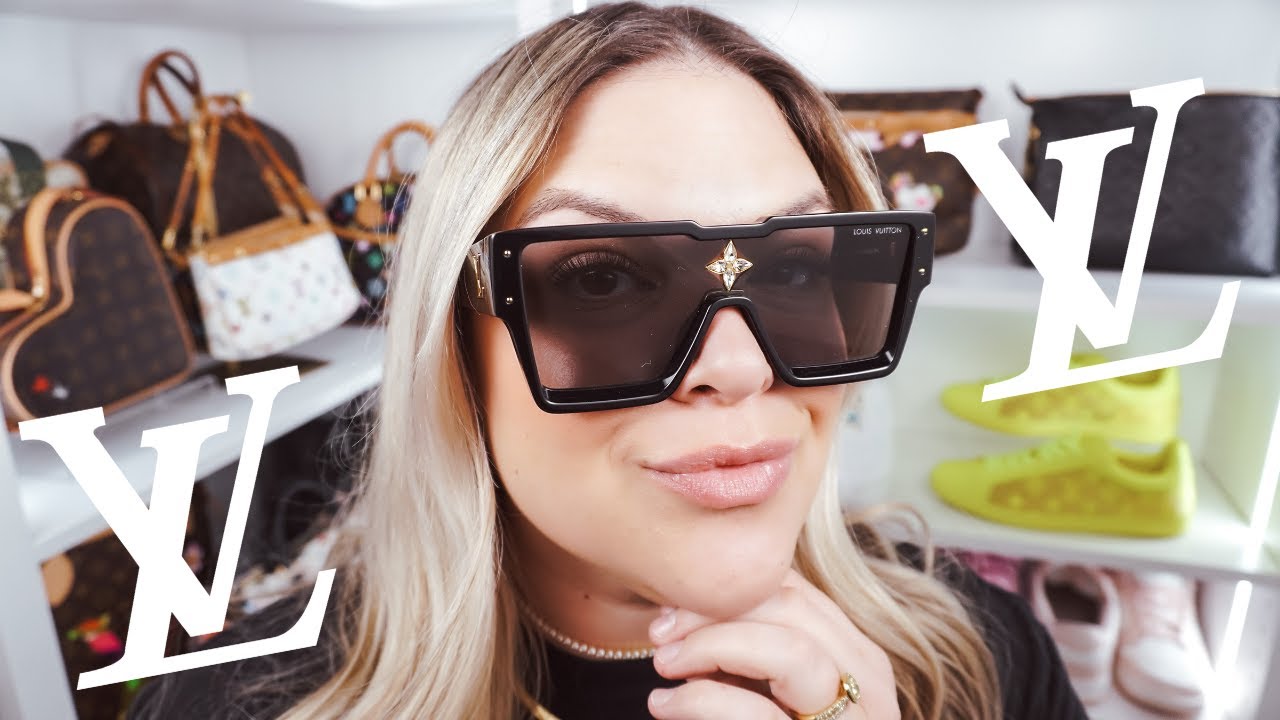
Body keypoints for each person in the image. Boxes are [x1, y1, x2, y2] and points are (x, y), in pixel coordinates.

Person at [129, 3, 1087, 719]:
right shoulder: (229, 702)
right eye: (602, 281)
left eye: (798, 268)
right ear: (455, 347)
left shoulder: (986, 657)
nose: (740, 368)